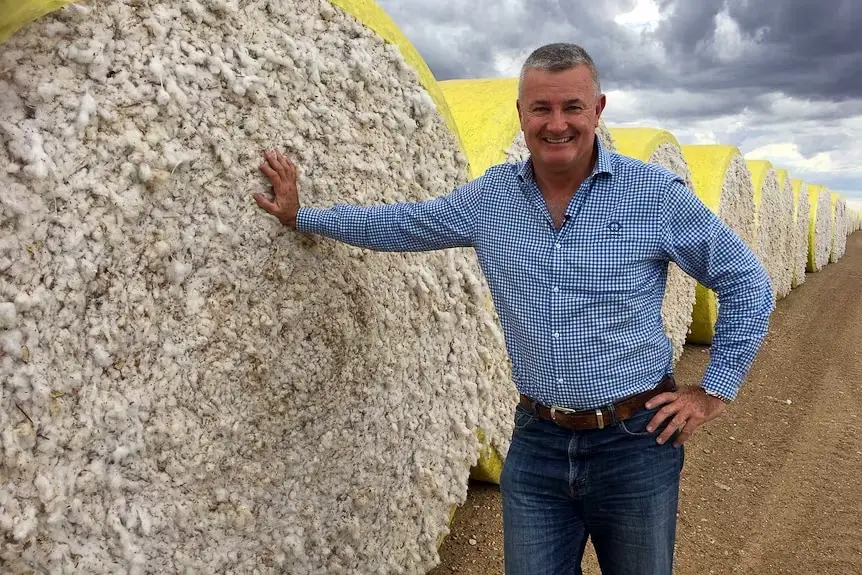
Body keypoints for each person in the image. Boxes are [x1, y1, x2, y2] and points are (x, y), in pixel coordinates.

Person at [253, 43, 774, 575]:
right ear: (520, 114)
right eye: (540, 109)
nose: (557, 124)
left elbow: (746, 281)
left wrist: (713, 392)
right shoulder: (491, 199)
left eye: (572, 107)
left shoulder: (654, 195)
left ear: (598, 110)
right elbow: (404, 224)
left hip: (634, 444)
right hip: (536, 442)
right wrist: (304, 217)